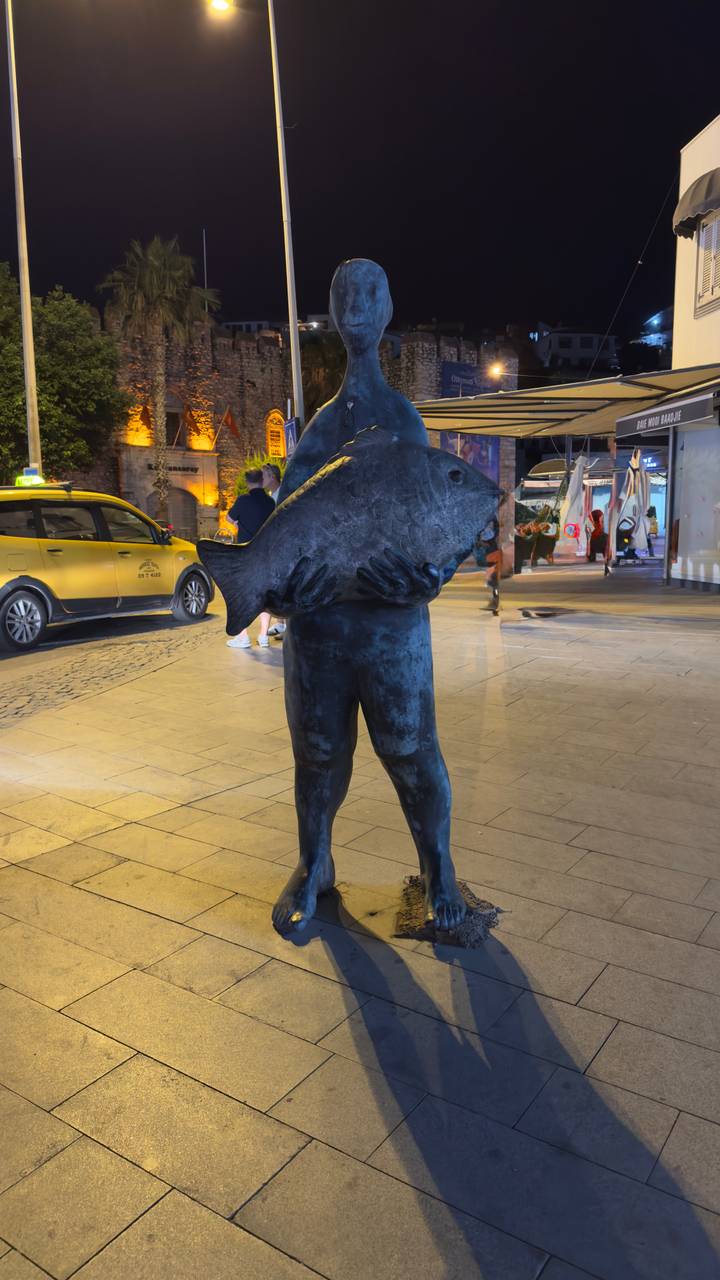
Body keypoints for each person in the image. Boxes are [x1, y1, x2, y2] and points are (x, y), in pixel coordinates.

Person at [266, 258, 468, 936]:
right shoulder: (321, 426)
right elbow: (283, 528)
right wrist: (290, 593)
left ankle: (437, 868)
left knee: (411, 751)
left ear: (386, 310)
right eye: (344, 291)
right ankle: (313, 863)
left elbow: (438, 516)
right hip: (321, 627)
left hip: (390, 626)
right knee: (319, 754)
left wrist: (430, 578)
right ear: (331, 308)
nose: (356, 301)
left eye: (371, 290)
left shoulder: (403, 419)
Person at [225, 470, 275, 649]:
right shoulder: (270, 502)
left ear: (247, 483)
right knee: (265, 595)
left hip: (245, 552)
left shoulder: (243, 500)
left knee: (243, 594)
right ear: (262, 481)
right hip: (265, 553)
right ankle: (263, 636)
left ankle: (243, 636)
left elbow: (229, 518)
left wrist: (237, 523)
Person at [263, 464, 287, 639]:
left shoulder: (282, 494)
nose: (261, 479)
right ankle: (280, 624)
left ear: (272, 476)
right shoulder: (271, 496)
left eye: (264, 476)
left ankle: (287, 626)